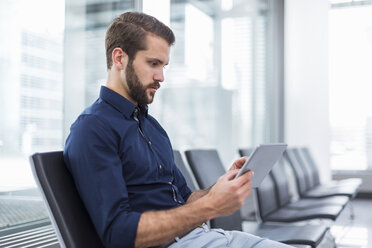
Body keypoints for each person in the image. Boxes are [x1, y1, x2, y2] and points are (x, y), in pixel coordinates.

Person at [63, 12, 292, 248]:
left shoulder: (151, 127)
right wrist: (211, 206)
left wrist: (221, 187)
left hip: (204, 237)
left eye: (164, 66)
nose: (161, 77)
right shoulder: (92, 129)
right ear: (119, 58)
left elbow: (186, 199)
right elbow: (118, 234)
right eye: (153, 63)